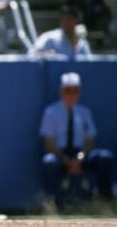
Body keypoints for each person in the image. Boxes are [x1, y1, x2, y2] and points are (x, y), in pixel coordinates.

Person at [39, 72, 114, 210]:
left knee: (105, 157)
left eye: (75, 91)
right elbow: (48, 143)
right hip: (60, 155)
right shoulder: (51, 112)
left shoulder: (84, 111)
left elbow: (90, 141)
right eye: (68, 90)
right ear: (61, 91)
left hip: (81, 155)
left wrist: (80, 158)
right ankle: (52, 204)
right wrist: (66, 160)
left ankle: (106, 201)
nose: (71, 95)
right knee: (49, 162)